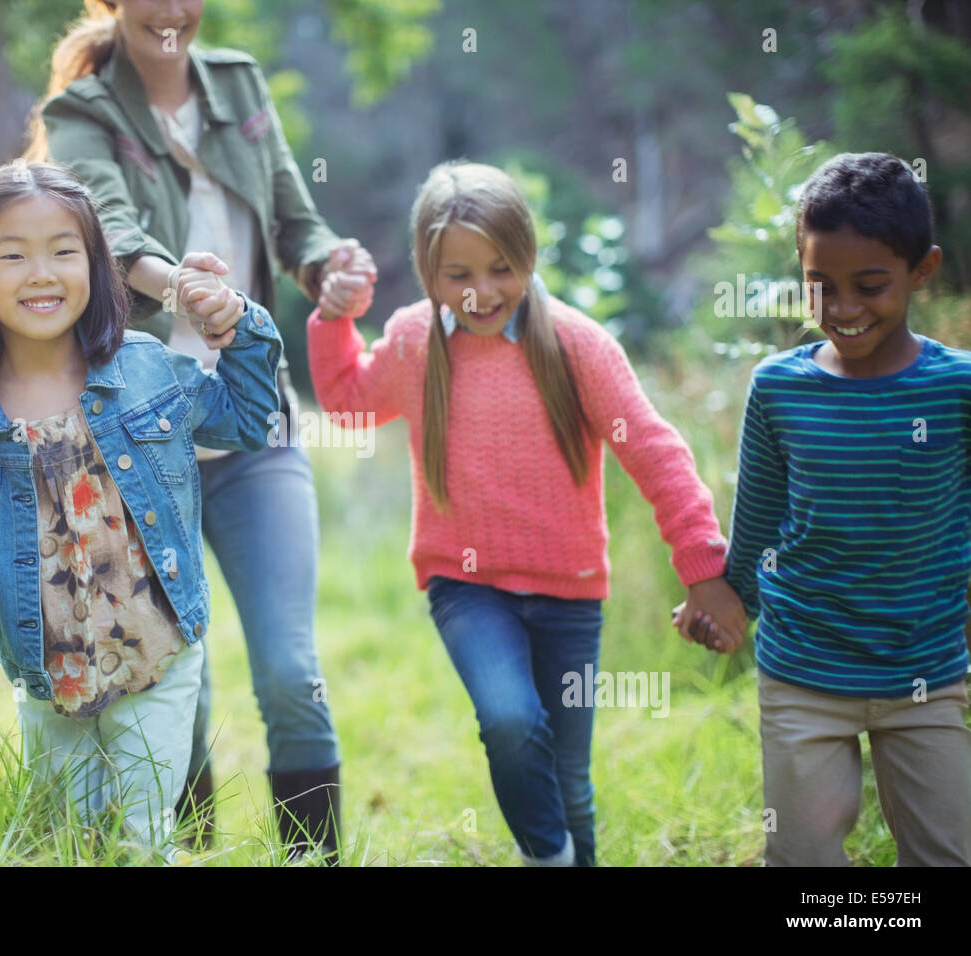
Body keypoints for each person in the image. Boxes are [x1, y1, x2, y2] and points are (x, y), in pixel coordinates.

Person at [306, 160, 745, 866]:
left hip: (570, 594)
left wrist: (702, 567)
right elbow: (349, 404)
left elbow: (655, 453)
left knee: (569, 778)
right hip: (467, 585)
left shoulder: (579, 345)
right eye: (459, 275)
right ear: (427, 270)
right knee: (510, 719)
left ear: (528, 256)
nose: (482, 292)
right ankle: (550, 857)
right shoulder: (418, 342)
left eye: (501, 268)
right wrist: (334, 319)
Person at [24, 0, 377, 861]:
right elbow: (105, 229)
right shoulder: (82, 112)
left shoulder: (239, 84)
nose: (172, 9)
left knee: (291, 672)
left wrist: (333, 268)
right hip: (141, 442)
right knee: (183, 678)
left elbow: (296, 221)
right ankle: (192, 850)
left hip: (254, 427)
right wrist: (186, 287)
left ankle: (314, 857)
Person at [0, 160, 282, 861]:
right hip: (50, 680)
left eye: (63, 251)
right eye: (12, 254)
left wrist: (238, 321)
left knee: (142, 835)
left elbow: (252, 420)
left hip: (157, 652)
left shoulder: (145, 369)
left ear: (96, 265)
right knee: (63, 843)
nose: (40, 272)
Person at [716, 152, 971, 866]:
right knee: (800, 857)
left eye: (870, 286)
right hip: (804, 669)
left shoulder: (957, 390)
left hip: (926, 673)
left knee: (946, 855)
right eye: (819, 287)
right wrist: (726, 597)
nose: (843, 309)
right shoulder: (780, 389)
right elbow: (760, 515)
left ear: (922, 270)